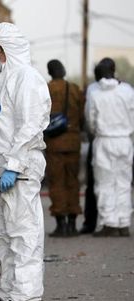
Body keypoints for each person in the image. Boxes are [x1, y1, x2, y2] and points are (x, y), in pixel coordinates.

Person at [0, 22, 50, 301]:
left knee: (23, 231)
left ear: (7, 51)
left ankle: (26, 297)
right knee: (4, 234)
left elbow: (31, 126)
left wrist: (14, 165)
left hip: (17, 168)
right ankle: (9, 292)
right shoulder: (4, 80)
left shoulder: (27, 79)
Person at [85, 61, 134, 237]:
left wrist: (96, 132)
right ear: (114, 70)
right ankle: (123, 223)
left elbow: (90, 120)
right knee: (123, 182)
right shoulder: (127, 91)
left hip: (104, 140)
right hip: (124, 141)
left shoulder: (95, 92)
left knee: (105, 183)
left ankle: (109, 223)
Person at [45, 60, 84, 237]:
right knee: (73, 182)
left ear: (50, 72)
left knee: (57, 183)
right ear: (63, 70)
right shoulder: (75, 89)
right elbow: (83, 115)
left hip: (54, 143)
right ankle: (73, 224)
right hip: (73, 141)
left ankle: (61, 224)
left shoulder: (46, 89)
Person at [81, 58, 116, 234]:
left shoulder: (93, 90)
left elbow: (89, 118)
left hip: (99, 140)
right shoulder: (124, 89)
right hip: (119, 141)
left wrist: (93, 134)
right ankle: (116, 222)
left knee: (97, 183)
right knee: (117, 183)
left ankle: (94, 222)